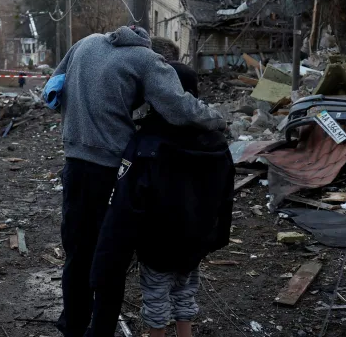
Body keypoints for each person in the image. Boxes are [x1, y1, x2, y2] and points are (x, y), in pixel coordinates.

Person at [50, 25, 225, 337]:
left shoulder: (86, 42)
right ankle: (101, 331)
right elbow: (178, 106)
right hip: (113, 170)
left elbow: (52, 88)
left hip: (74, 164)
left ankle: (73, 326)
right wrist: (217, 119)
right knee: (111, 256)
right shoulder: (146, 60)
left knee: (77, 251)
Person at [89, 62, 234, 337]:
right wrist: (215, 236)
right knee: (186, 290)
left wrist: (117, 248)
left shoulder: (146, 142)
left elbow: (127, 201)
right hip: (196, 238)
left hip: (157, 241)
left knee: (156, 295)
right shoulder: (215, 141)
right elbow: (226, 194)